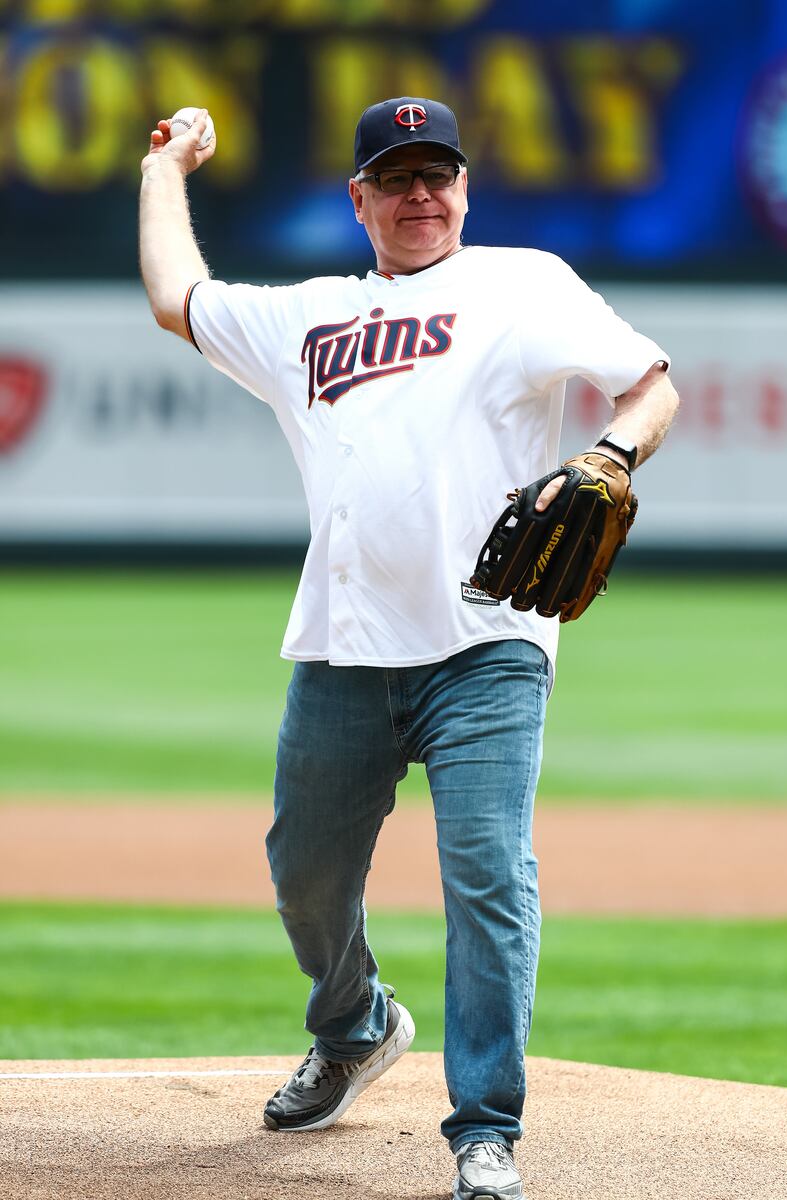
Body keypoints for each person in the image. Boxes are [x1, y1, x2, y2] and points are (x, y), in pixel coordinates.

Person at [139, 96, 679, 1200]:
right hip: (343, 647)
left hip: (490, 643)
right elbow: (171, 299)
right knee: (304, 876)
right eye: (396, 177)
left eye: (438, 174)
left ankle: (484, 1128)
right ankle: (355, 1025)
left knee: (486, 875)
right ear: (360, 200)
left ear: (465, 189)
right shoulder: (310, 316)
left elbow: (649, 383)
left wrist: (614, 452)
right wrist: (167, 165)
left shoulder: (520, 284)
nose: (421, 194)